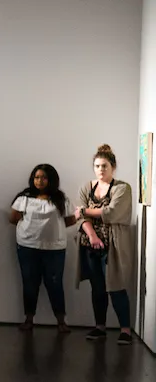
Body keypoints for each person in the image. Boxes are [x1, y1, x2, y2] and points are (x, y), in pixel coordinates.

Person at [74, 144, 134, 343]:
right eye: (97, 166)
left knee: (116, 286)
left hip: (113, 245)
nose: (101, 170)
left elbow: (112, 212)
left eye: (105, 166)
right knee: (97, 287)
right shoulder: (87, 187)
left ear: (113, 167)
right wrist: (92, 236)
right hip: (91, 244)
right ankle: (100, 327)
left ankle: (125, 329)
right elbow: (80, 219)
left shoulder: (122, 188)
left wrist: (85, 210)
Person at [9, 164, 74, 332]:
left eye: (44, 177)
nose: (40, 181)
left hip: (55, 248)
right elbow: (13, 217)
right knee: (29, 283)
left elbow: (70, 220)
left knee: (55, 284)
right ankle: (29, 319)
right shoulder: (24, 197)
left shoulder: (61, 199)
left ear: (51, 179)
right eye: (37, 177)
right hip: (28, 246)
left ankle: (61, 321)